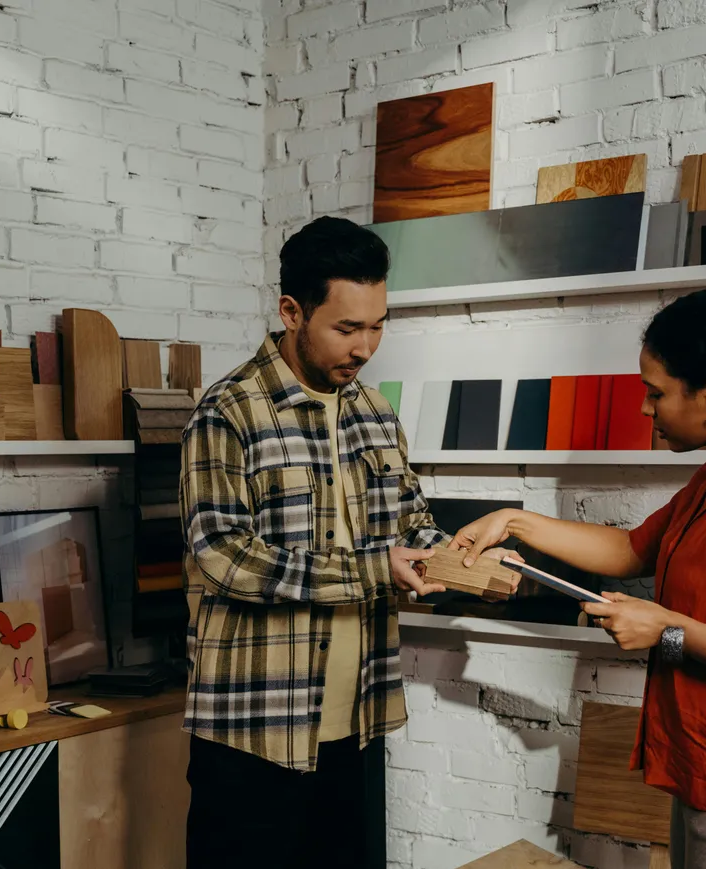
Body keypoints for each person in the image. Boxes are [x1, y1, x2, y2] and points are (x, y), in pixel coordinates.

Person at [452, 287, 706, 869]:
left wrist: (669, 627)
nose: (646, 410)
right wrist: (513, 522)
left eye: (656, 393)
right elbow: (630, 549)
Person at [179, 216, 511, 868]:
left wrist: (466, 558)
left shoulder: (375, 414)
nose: (366, 346)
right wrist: (371, 569)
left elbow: (409, 523)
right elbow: (222, 554)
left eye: (378, 324)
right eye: (347, 327)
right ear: (291, 311)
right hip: (253, 735)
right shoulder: (228, 411)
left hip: (356, 725)